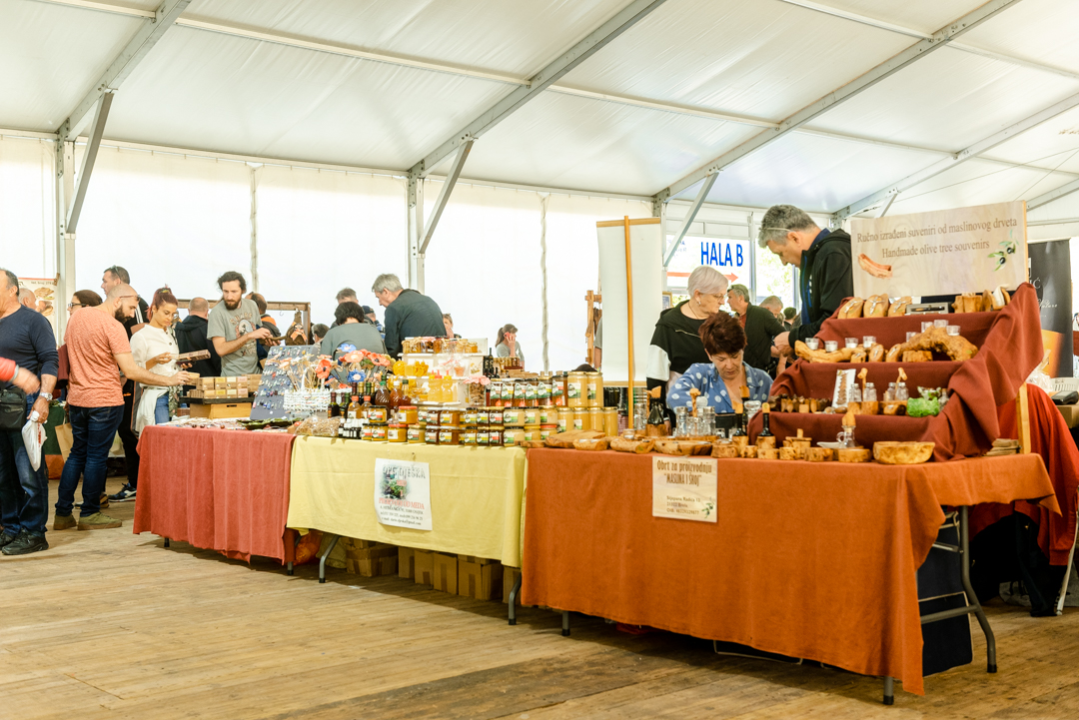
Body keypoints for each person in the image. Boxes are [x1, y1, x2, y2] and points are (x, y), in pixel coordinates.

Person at [54, 283, 187, 531]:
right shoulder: (113, 327)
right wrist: (169, 379)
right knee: (96, 457)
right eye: (131, 306)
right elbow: (131, 370)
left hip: (78, 398)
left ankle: (62, 513)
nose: (131, 313)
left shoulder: (77, 316)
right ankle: (90, 512)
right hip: (104, 400)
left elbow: (73, 352)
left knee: (76, 454)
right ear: (118, 300)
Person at [0, 268, 58, 555]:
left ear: (12, 290)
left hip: (25, 403)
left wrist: (44, 398)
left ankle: (34, 531)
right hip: (1, 404)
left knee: (29, 471)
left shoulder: (33, 321)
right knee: (3, 474)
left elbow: (49, 359)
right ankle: (11, 528)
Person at [758, 205, 853, 352]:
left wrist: (793, 338)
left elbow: (836, 320)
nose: (783, 263)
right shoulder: (815, 257)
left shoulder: (834, 254)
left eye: (780, 254)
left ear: (794, 238)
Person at [645, 266, 729, 406]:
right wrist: (661, 415)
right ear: (698, 295)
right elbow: (655, 375)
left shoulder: (724, 322)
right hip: (682, 412)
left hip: (722, 409)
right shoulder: (670, 326)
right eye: (717, 296)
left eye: (723, 296)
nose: (722, 302)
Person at [100, 265, 149, 495]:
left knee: (130, 430)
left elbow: (140, 342)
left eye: (105, 280)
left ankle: (138, 484)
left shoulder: (135, 303)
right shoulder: (114, 310)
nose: (102, 285)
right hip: (123, 376)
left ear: (118, 281)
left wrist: (124, 373)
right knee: (125, 430)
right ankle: (135, 483)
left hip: (133, 378)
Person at [666, 311, 772, 415]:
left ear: (743, 349)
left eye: (735, 357)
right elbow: (674, 397)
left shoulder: (762, 380)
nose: (730, 366)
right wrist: (705, 414)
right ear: (709, 354)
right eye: (721, 359)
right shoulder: (700, 374)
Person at [129, 288, 184, 436]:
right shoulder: (141, 336)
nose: (170, 318)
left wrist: (180, 364)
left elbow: (169, 366)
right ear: (154, 308)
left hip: (176, 396)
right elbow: (133, 370)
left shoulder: (171, 334)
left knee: (177, 442)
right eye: (166, 313)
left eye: (173, 314)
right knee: (162, 441)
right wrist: (154, 360)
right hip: (157, 396)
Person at [207, 271, 269, 376]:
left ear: (243, 290)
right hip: (233, 378)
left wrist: (266, 339)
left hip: (256, 375)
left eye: (234, 292)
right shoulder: (217, 313)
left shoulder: (252, 305)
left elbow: (256, 339)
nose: (229, 296)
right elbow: (220, 349)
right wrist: (248, 336)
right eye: (225, 291)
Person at [371, 273, 446, 358]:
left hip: (417, 362)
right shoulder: (429, 300)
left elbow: (392, 348)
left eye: (378, 298)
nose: (380, 303)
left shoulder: (394, 308)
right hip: (442, 358)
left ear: (385, 292)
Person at [726, 285, 785, 373]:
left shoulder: (762, 314)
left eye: (730, 297)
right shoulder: (734, 319)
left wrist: (781, 364)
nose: (727, 301)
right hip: (739, 371)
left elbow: (784, 335)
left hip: (758, 373)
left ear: (740, 298)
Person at [174, 297, 221, 378]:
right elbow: (217, 358)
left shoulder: (177, 329)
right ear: (207, 312)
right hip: (207, 381)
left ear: (188, 310)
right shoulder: (209, 329)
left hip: (183, 380)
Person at [320, 302, 387, 356]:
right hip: (378, 372)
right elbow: (386, 356)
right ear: (362, 317)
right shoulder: (374, 330)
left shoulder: (332, 333)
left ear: (338, 319)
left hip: (342, 372)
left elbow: (324, 361)